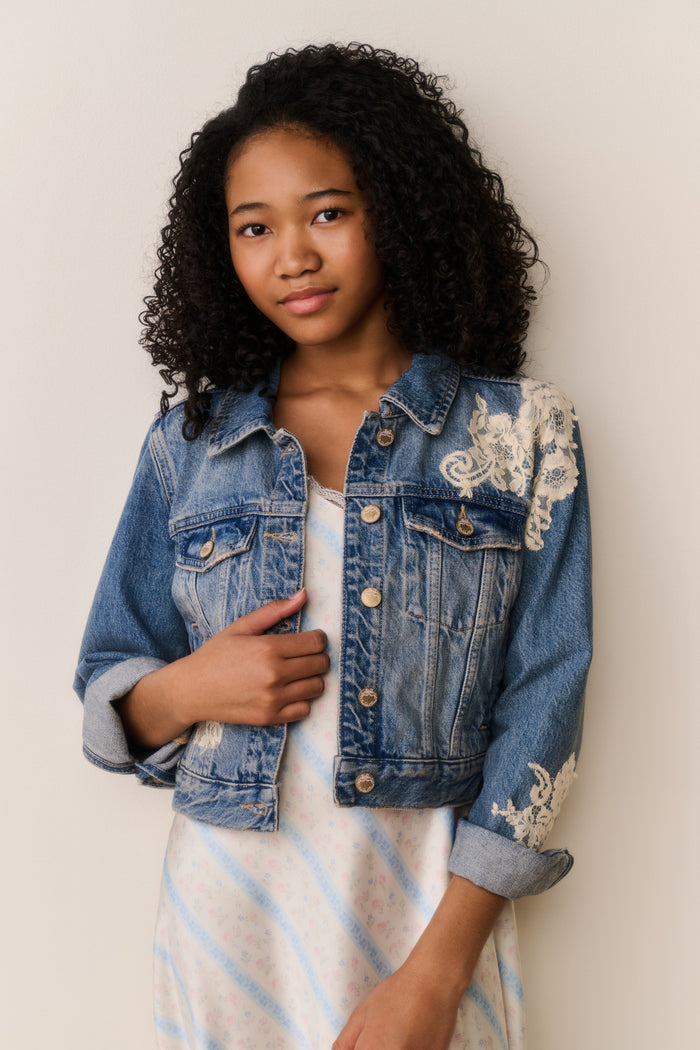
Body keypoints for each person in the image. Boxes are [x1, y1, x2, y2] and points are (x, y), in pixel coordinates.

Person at [74, 43, 592, 1050]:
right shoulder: (193, 442)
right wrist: (189, 689)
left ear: (397, 210)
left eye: (327, 213)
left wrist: (438, 977)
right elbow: (110, 678)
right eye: (253, 227)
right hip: (226, 918)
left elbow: (547, 704)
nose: (292, 256)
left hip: (426, 923)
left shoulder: (519, 433)